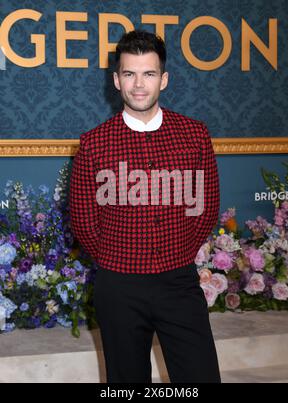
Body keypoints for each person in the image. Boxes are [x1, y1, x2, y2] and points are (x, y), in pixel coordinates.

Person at [69, 30, 221, 383]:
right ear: (116, 80)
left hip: (178, 282)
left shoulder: (194, 135)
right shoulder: (93, 143)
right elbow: (83, 218)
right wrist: (114, 258)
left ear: (163, 79)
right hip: (118, 286)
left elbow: (207, 206)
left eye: (149, 74)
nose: (139, 84)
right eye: (130, 73)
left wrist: (177, 252)